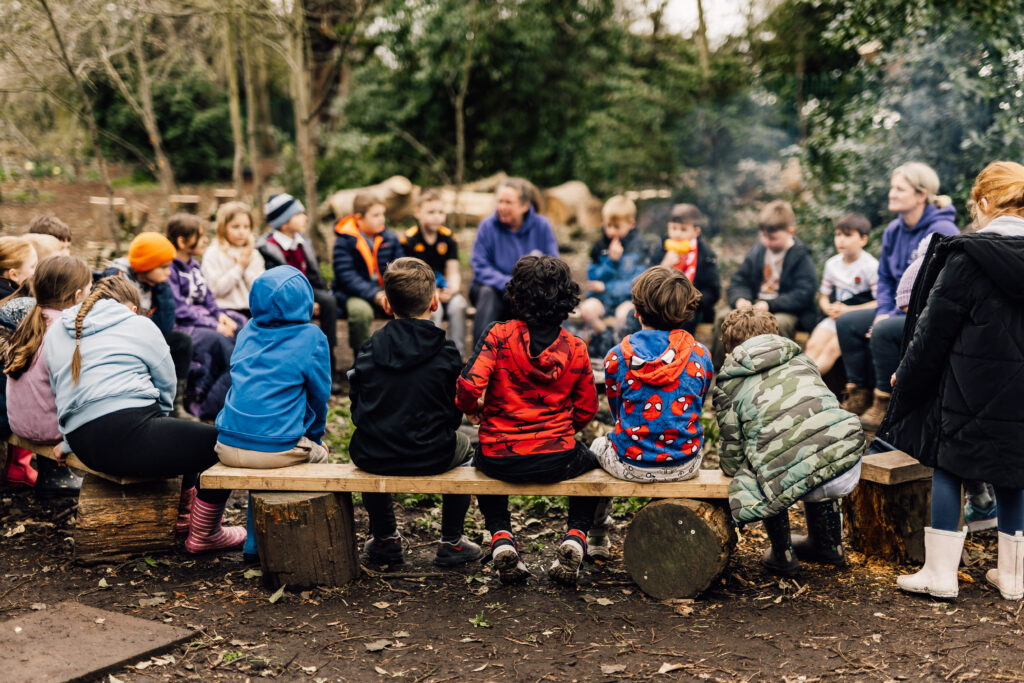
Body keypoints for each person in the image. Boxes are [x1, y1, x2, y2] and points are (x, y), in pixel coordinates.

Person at [883, 161, 1024, 601]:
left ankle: (939, 575)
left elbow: (932, 332)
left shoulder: (966, 256)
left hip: (967, 390)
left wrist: (903, 378)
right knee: (1014, 473)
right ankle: (1015, 578)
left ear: (983, 203)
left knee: (948, 467)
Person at [45, 276, 244, 553]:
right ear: (133, 308)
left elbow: (61, 391)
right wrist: (159, 421)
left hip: (82, 442)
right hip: (128, 434)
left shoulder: (58, 329)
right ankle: (206, 533)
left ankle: (184, 515)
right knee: (223, 444)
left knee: (178, 436)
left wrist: (67, 439)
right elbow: (166, 385)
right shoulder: (137, 324)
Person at [456, 255, 599, 586]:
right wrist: (560, 431)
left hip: (500, 456)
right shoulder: (576, 348)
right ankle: (576, 535)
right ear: (566, 299)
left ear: (516, 296)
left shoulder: (498, 335)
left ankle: (502, 537)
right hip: (557, 457)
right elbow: (588, 408)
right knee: (593, 464)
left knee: (482, 460)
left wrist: (471, 407)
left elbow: (467, 385)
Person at [349, 258, 482, 568]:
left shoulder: (369, 348)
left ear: (386, 305)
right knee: (464, 446)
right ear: (435, 303)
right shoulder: (446, 350)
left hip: (375, 453)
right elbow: (457, 405)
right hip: (432, 452)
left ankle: (385, 538)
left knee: (365, 445)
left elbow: (358, 404)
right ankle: (451, 542)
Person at [714, 308, 865, 574]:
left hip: (792, 476)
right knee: (813, 442)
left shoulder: (728, 383)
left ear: (730, 351)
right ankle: (829, 545)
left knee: (764, 457)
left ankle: (782, 555)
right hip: (846, 462)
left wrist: (733, 469)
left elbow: (732, 452)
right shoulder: (803, 360)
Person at [589, 267, 714, 559]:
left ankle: (596, 536)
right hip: (686, 463)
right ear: (684, 313)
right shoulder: (701, 355)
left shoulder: (617, 357)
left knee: (596, 446)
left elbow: (617, 409)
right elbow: (698, 399)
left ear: (636, 311)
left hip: (631, 463)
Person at [214, 266, 331, 561]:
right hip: (275, 448)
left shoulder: (247, 331)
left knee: (262, 448)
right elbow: (319, 396)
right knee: (320, 457)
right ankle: (300, 544)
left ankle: (253, 544)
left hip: (226, 443)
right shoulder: (311, 337)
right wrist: (315, 438)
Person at [836, 162, 958, 429]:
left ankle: (885, 403)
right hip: (894, 308)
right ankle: (858, 394)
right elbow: (885, 278)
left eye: (899, 189)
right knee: (847, 323)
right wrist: (881, 312)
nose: (891, 193)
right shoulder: (893, 230)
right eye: (892, 187)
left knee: (883, 331)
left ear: (920, 195)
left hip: (927, 314)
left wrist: (886, 319)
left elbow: (939, 288)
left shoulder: (943, 231)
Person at [4, 256, 92, 496]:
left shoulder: (28, 321)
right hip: (49, 430)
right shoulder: (66, 330)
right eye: (89, 290)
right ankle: (58, 477)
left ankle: (53, 474)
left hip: (19, 422)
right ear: (77, 296)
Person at [712, 200, 817, 368]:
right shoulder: (758, 251)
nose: (767, 242)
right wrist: (740, 299)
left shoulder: (801, 256)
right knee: (723, 318)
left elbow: (804, 293)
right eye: (763, 236)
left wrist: (769, 305)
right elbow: (739, 280)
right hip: (754, 304)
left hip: (784, 310)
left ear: (790, 232)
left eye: (773, 238)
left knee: (778, 323)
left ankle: (773, 372)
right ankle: (720, 370)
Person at [102, 232, 196, 421]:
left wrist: (162, 288)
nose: (168, 272)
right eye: (163, 267)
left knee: (181, 341)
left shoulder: (155, 282)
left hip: (146, 333)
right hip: (120, 340)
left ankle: (175, 404)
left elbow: (165, 326)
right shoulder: (117, 278)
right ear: (147, 265)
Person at [257, 193, 342, 393]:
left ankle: (329, 364)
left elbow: (313, 276)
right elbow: (276, 285)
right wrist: (306, 303)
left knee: (329, 301)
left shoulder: (303, 241)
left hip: (307, 289)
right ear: (284, 223)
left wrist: (316, 296)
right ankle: (299, 371)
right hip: (285, 297)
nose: (304, 217)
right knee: (298, 317)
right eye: (298, 214)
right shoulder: (270, 248)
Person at [469, 178, 559, 346]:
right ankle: (479, 355)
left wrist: (528, 287)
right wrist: (509, 284)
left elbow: (553, 266)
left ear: (524, 206)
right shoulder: (487, 226)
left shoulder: (542, 225)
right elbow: (479, 266)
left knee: (547, 298)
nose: (502, 207)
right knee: (488, 293)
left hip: (529, 291)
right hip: (493, 289)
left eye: (508, 202)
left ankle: (544, 357)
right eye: (500, 201)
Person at [166, 214, 236, 420]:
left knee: (240, 326)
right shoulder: (170, 269)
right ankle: (203, 401)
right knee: (221, 341)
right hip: (184, 326)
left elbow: (209, 299)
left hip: (205, 321)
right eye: (200, 235)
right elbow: (180, 310)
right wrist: (214, 325)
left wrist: (220, 316)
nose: (206, 240)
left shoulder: (195, 266)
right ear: (182, 241)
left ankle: (233, 395)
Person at [804, 213, 878, 375]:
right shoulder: (832, 264)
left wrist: (847, 311)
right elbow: (823, 296)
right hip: (834, 316)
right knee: (812, 346)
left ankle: (805, 382)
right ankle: (797, 379)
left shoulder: (871, 266)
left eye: (848, 235)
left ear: (863, 240)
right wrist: (828, 308)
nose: (841, 240)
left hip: (854, 320)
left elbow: (879, 302)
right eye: (838, 235)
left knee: (830, 350)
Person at [331, 193, 404, 355]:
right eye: (376, 215)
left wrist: (393, 292)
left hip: (386, 292)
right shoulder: (344, 241)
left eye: (383, 214)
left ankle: (400, 357)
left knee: (406, 309)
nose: (382, 219)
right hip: (354, 294)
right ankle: (361, 359)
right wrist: (375, 295)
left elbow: (401, 268)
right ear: (359, 218)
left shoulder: (390, 238)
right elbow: (346, 275)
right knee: (360, 313)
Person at [400, 189, 468, 357]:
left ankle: (456, 355)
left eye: (440, 212)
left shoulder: (449, 238)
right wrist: (431, 293)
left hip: (444, 291)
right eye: (431, 212)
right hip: (421, 294)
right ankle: (431, 355)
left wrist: (451, 290)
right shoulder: (409, 239)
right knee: (433, 309)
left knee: (459, 305)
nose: (437, 216)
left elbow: (453, 271)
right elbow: (407, 276)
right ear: (418, 213)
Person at [578, 195, 649, 354]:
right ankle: (604, 338)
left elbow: (636, 282)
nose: (611, 231)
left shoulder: (639, 246)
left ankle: (620, 347)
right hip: (602, 300)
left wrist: (606, 287)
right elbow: (592, 275)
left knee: (624, 315)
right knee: (587, 310)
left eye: (616, 227)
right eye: (608, 225)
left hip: (626, 299)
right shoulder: (600, 245)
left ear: (631, 224)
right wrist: (610, 261)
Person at [0, 235, 39, 488]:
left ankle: (19, 465)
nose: (36, 273)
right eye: (33, 268)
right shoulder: (20, 307)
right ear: (14, 274)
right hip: (5, 413)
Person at [650, 203, 721, 334]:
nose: (677, 234)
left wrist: (690, 300)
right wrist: (664, 265)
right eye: (674, 228)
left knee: (682, 319)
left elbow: (713, 292)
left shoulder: (705, 255)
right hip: (661, 301)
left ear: (696, 231)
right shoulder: (660, 248)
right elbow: (647, 281)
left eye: (683, 230)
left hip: (692, 307)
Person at [202, 202, 265, 318]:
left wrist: (246, 268)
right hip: (224, 311)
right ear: (223, 228)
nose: (241, 232)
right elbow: (215, 289)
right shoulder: (213, 253)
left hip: (252, 311)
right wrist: (239, 267)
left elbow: (260, 289)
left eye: (246, 227)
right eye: (235, 227)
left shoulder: (254, 254)